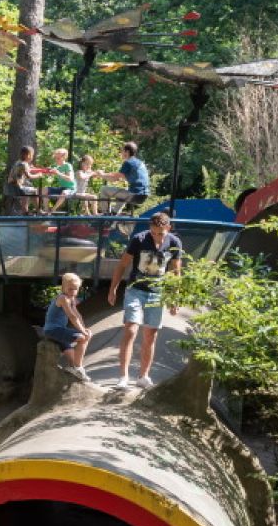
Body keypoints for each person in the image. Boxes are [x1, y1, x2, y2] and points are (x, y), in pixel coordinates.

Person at [106, 212, 183, 390]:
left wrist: (175, 298)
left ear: (168, 229)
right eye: (154, 232)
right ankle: (123, 377)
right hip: (136, 290)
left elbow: (176, 272)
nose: (157, 236)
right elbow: (122, 265)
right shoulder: (139, 240)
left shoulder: (174, 243)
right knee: (131, 329)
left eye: (161, 233)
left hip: (157, 293)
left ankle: (143, 376)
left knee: (150, 335)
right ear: (150, 229)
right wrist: (113, 289)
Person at [45, 272, 92, 382]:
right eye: (70, 289)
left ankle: (74, 368)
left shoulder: (71, 299)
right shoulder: (63, 298)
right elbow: (71, 316)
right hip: (53, 330)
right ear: (63, 287)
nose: (73, 292)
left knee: (71, 354)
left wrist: (84, 328)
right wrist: (83, 332)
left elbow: (77, 315)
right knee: (82, 338)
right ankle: (79, 368)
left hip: (59, 330)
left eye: (75, 289)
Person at [97, 142, 150, 215]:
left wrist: (101, 175)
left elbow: (114, 178)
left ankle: (106, 216)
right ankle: (114, 213)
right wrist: (107, 175)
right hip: (143, 195)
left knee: (104, 189)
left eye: (122, 151)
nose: (121, 153)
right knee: (122, 193)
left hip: (134, 194)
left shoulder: (128, 163)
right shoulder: (139, 162)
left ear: (127, 152)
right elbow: (120, 176)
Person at [3, 145, 43, 214]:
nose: (32, 157)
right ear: (28, 155)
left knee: (28, 188)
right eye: (32, 155)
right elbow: (29, 176)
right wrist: (38, 175)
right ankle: (38, 210)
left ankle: (25, 211)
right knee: (34, 191)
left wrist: (33, 169)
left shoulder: (18, 162)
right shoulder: (24, 164)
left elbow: (25, 170)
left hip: (10, 188)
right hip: (17, 188)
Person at [45, 148, 78, 213]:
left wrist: (58, 173)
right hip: (61, 188)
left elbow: (70, 179)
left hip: (71, 188)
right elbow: (49, 177)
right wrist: (48, 172)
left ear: (64, 157)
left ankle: (53, 210)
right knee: (43, 190)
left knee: (64, 192)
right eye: (55, 158)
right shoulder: (56, 167)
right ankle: (46, 210)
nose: (56, 160)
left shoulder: (68, 165)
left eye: (58, 158)